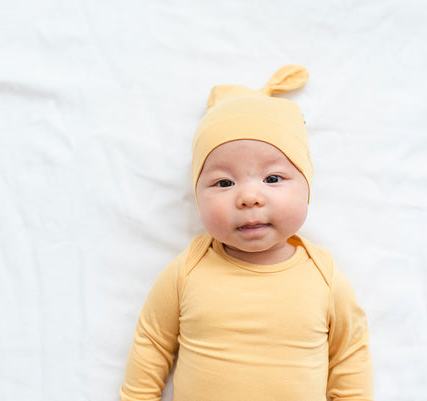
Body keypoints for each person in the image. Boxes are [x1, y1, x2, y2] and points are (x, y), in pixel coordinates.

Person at [120, 65, 373, 401]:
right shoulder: (188, 270)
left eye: (272, 179)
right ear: (197, 195)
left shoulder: (324, 277)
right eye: (224, 182)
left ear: (307, 188)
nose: (249, 197)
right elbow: (151, 342)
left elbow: (349, 355)